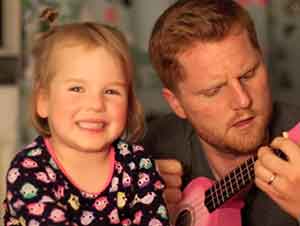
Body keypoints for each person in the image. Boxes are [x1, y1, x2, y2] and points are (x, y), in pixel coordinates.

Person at [3, 9, 169, 226]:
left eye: (111, 91)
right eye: (77, 88)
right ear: (43, 101)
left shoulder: (138, 164)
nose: (96, 104)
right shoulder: (29, 168)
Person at [143, 0, 300, 225]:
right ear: (176, 103)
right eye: (213, 90)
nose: (243, 100)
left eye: (248, 74)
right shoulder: (153, 149)